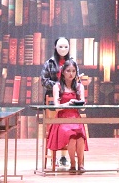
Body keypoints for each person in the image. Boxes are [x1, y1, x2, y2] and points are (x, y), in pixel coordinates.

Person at [46, 58, 88, 173]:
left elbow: (83, 108)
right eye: (68, 71)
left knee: (80, 137)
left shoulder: (79, 86)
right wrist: (68, 104)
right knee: (71, 136)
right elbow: (56, 107)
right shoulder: (57, 87)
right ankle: (73, 164)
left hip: (75, 117)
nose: (71, 74)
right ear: (63, 72)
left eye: (73, 71)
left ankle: (80, 165)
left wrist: (81, 102)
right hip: (62, 118)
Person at [40, 37, 71, 167]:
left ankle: (64, 156)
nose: (63, 49)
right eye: (60, 47)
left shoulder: (72, 62)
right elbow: (44, 81)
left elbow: (76, 80)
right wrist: (58, 86)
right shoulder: (49, 63)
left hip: (68, 98)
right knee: (53, 128)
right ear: (55, 47)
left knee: (67, 127)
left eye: (66, 47)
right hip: (52, 100)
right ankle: (53, 156)